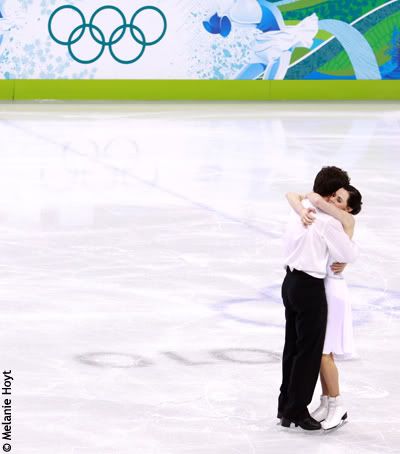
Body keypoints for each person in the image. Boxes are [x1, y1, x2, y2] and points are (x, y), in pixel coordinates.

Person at [278, 166, 359, 431]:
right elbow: (348, 253)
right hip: (310, 288)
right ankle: (298, 409)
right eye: (335, 195)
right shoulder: (327, 222)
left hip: (289, 282)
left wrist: (305, 203)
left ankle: (286, 407)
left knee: (292, 347)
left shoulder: (301, 206)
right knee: (308, 353)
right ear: (329, 195)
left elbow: (293, 194)